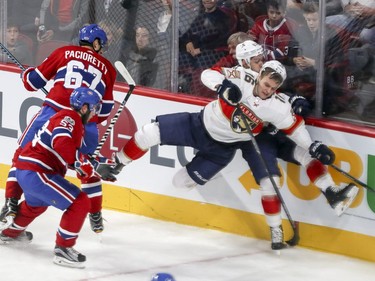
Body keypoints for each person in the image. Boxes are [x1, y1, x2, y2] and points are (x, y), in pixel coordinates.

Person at [110, 59, 357, 250]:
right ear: (259, 76)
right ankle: (117, 164)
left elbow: (295, 130)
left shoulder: (278, 107)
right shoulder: (242, 76)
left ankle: (276, 231)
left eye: (272, 87)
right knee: (149, 132)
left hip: (221, 150)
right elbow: (207, 74)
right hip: (198, 125)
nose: (266, 89)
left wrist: (313, 147)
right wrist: (222, 85)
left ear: (278, 87)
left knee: (180, 181)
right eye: (265, 83)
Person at [206, 40, 359, 218]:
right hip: (258, 139)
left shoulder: (265, 74)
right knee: (270, 181)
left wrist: (295, 100)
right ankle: (275, 228)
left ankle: (332, 193)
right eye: (256, 60)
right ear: (245, 61)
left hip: (276, 133)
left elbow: (281, 96)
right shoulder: (239, 79)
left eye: (261, 59)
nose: (260, 62)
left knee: (305, 154)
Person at [0, 24, 117, 234]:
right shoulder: (108, 67)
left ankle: (11, 202)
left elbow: (33, 82)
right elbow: (106, 110)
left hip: (52, 113)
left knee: (23, 154)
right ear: (97, 43)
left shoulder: (63, 52)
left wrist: (27, 74)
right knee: (87, 166)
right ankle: (96, 214)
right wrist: (85, 117)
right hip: (85, 122)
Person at [0, 87, 102, 268]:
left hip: (29, 171)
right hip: (38, 172)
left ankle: (9, 233)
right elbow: (61, 141)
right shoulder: (70, 117)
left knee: (35, 206)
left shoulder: (70, 119)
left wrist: (91, 162)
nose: (95, 112)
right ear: (84, 108)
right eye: (94, 108)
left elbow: (67, 153)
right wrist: (80, 162)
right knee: (80, 202)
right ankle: (63, 249)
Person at [248, 0, 298, 64]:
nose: (274, 16)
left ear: (284, 12)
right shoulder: (259, 23)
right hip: (258, 60)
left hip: (280, 63)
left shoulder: (289, 26)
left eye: (278, 13)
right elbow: (251, 41)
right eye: (271, 12)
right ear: (267, 11)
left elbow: (282, 52)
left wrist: (263, 56)